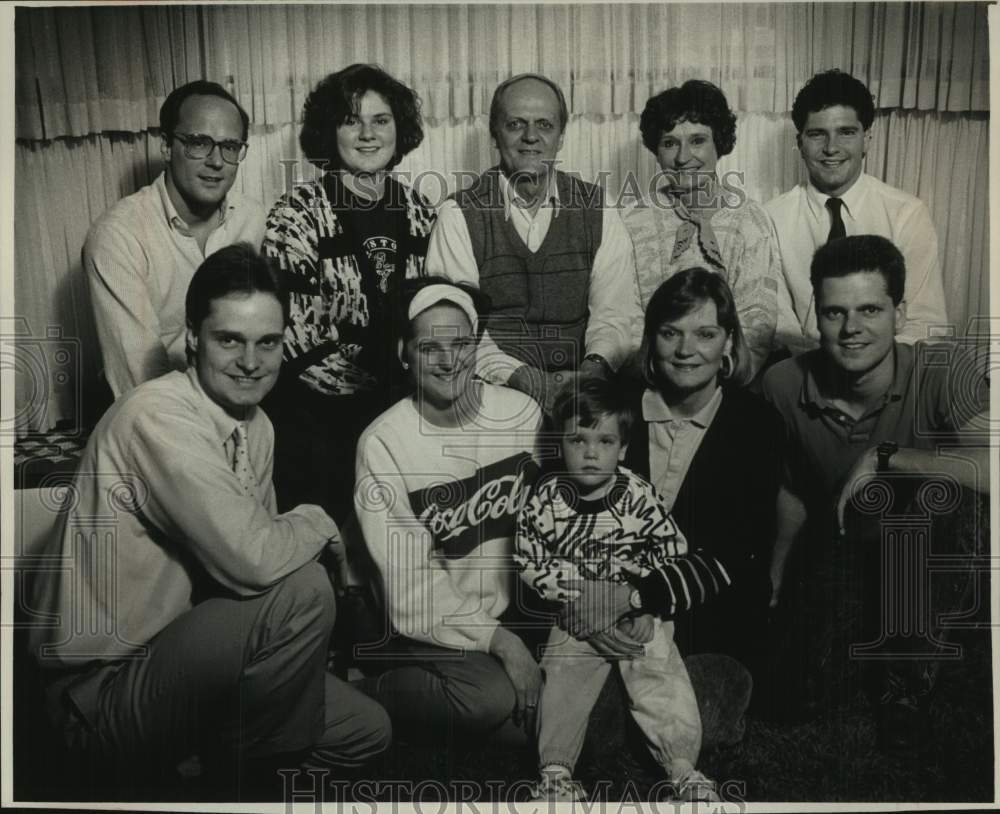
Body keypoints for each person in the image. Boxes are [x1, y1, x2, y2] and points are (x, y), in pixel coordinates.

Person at [29, 244, 389, 794]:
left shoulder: (257, 425)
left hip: (184, 663)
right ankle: (238, 788)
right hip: (101, 692)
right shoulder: (158, 414)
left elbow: (258, 574)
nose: (251, 361)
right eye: (230, 340)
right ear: (193, 337)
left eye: (268, 342)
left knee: (366, 731)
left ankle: (203, 771)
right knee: (306, 588)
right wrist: (321, 522)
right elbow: (256, 562)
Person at [761, 235, 988, 744]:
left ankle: (906, 681)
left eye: (869, 309)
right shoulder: (782, 384)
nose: (851, 329)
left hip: (928, 560)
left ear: (899, 314)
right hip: (845, 553)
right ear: (815, 316)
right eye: (834, 313)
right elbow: (791, 488)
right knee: (787, 696)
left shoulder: (944, 369)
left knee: (958, 497)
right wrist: (775, 573)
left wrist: (890, 459)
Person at [354, 278, 546, 743]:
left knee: (545, 710)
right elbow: (409, 589)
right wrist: (500, 643)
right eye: (429, 348)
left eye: (460, 344)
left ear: (477, 346)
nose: (447, 361)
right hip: (423, 625)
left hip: (511, 617)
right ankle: (363, 689)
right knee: (493, 700)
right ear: (404, 352)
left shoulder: (522, 415)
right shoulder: (383, 442)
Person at [515, 376, 721, 803]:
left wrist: (647, 607)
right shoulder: (546, 497)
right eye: (578, 440)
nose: (591, 452)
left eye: (605, 441)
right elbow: (528, 561)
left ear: (623, 448)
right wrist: (578, 599)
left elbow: (672, 551)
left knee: (658, 667)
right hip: (577, 614)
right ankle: (556, 773)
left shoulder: (638, 496)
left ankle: (682, 769)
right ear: (559, 444)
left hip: (633, 612)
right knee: (563, 670)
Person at [262, 63, 436, 523]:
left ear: (400, 130)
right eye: (350, 120)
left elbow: (432, 316)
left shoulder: (419, 210)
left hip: (403, 409)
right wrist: (384, 392)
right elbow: (295, 341)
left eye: (380, 120)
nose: (367, 134)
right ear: (328, 132)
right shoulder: (296, 213)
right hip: (320, 421)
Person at [425, 73, 639, 409]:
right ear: (495, 135)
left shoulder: (598, 207)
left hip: (583, 390)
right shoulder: (458, 214)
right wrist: (522, 377)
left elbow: (615, 313)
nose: (531, 137)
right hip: (492, 391)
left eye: (544, 125)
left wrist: (593, 369)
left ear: (561, 137)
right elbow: (456, 329)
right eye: (515, 124)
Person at [85, 80, 266, 398]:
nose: (216, 161)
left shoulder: (254, 220)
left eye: (230, 146)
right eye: (199, 143)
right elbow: (139, 378)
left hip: (240, 397)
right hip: (156, 408)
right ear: (166, 146)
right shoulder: (117, 236)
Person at [765, 69, 949, 351]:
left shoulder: (906, 214)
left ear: (868, 139)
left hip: (885, 377)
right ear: (800, 143)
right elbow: (779, 326)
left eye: (846, 133)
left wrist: (869, 372)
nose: (831, 148)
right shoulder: (771, 219)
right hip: (804, 374)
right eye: (817, 134)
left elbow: (925, 323)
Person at [622, 80, 781, 380]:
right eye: (669, 143)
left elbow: (757, 321)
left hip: (726, 383)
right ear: (656, 150)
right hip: (649, 379)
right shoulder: (633, 221)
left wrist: (716, 380)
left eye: (697, 141)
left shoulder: (749, 219)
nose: (683, 158)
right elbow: (626, 317)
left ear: (719, 143)